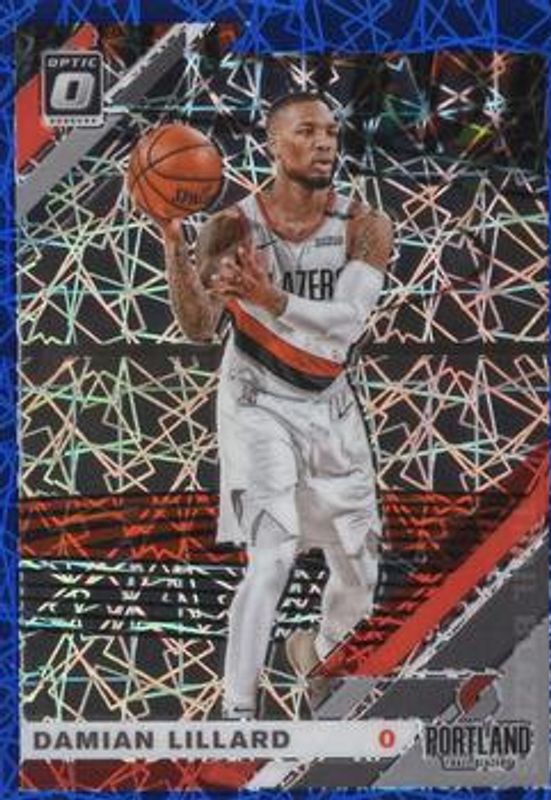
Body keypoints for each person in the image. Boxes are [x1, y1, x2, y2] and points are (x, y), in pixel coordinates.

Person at [161, 92, 393, 719]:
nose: (325, 143)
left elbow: (346, 322)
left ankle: (318, 656)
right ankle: (237, 713)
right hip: (256, 400)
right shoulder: (232, 226)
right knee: (273, 554)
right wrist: (174, 243)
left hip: (330, 404)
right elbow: (200, 326)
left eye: (332, 132)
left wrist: (271, 298)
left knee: (360, 565)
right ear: (272, 144)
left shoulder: (365, 225)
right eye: (307, 131)